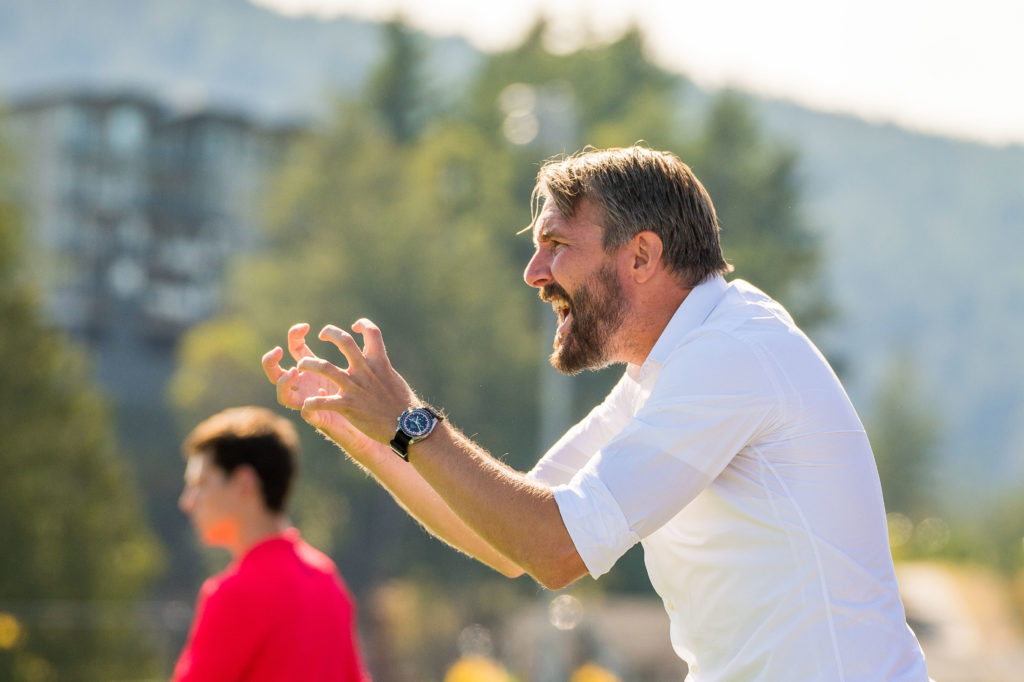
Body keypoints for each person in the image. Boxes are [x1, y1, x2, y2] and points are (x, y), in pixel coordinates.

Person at [262, 146, 932, 681]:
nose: (532, 270)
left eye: (556, 243)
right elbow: (506, 540)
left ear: (640, 256)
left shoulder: (729, 356)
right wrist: (368, 431)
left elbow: (554, 550)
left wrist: (408, 419)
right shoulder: (675, 361)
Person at [173, 406, 370, 682]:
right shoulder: (327, 580)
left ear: (244, 483)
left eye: (200, 483)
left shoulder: (234, 594)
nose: (187, 501)